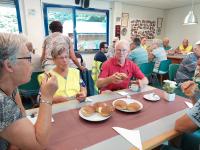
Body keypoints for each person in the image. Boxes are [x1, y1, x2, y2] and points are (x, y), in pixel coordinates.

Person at [0, 33, 58, 150]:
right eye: (28, 58)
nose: (31, 63)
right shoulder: (1, 102)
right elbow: (39, 144)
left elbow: (21, 116)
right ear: (9, 65)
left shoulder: (11, 87)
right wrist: (46, 96)